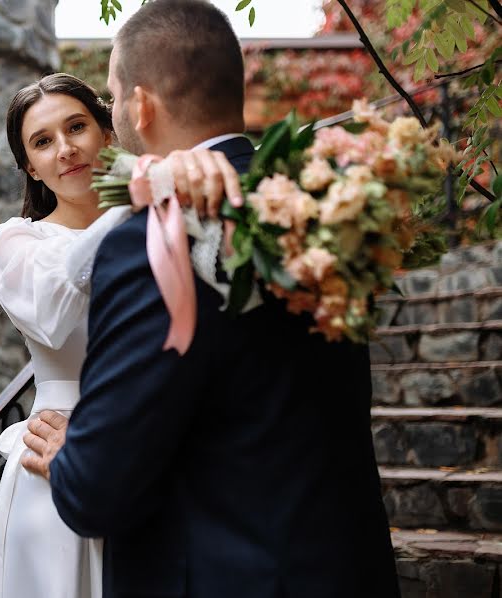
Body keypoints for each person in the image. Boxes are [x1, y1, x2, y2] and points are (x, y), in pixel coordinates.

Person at [21, 2, 401, 598]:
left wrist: (75, 453)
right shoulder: (320, 203)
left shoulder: (160, 236)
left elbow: (96, 493)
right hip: (347, 567)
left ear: (140, 106)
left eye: (113, 96)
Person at [0, 72, 243, 598]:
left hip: (160, 455)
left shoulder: (169, 222)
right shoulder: (16, 240)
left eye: (77, 127)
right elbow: (52, 312)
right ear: (30, 165)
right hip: (55, 465)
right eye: (43, 141)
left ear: (108, 131)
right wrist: (137, 198)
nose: (66, 149)